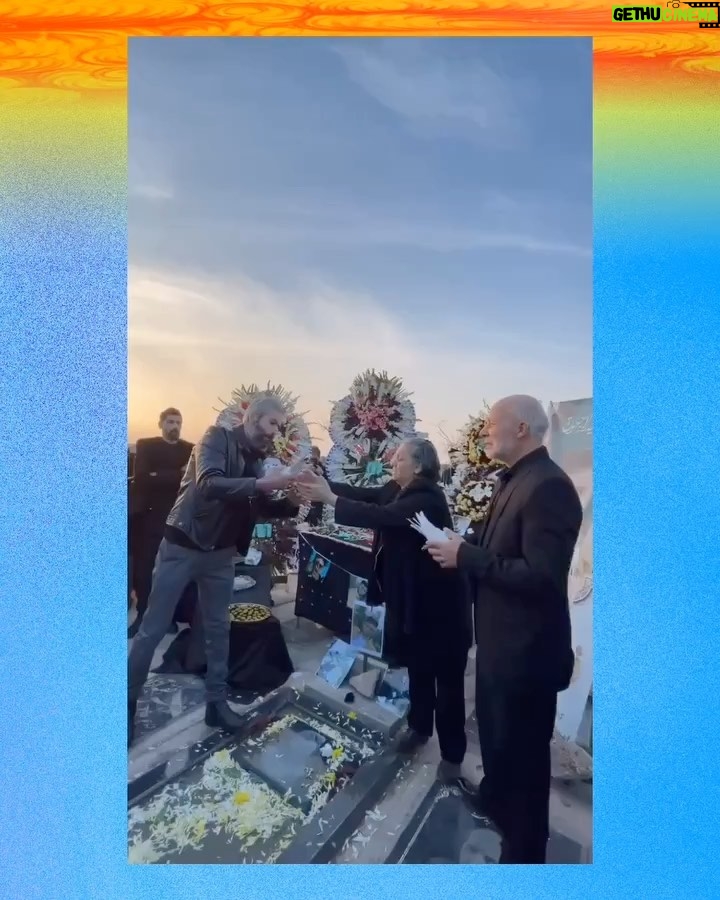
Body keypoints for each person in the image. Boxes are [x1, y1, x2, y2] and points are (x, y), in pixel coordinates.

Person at [425, 395, 582, 864]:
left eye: (491, 425)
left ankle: (525, 854)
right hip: (499, 646)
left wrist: (467, 557)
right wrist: (461, 544)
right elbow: (498, 547)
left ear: (521, 428)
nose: (483, 433)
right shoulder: (515, 479)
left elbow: (540, 578)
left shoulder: (549, 486)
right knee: (496, 742)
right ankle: (495, 801)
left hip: (527, 655)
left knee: (525, 765)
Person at [128, 396, 306, 747]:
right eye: (272, 423)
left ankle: (217, 705)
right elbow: (210, 484)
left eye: (279, 427)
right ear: (252, 418)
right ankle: (126, 704)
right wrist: (266, 484)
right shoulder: (214, 439)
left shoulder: (258, 462)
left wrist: (294, 499)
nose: (275, 432)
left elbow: (262, 504)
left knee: (218, 630)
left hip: (222, 555)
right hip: (183, 545)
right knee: (153, 627)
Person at [298, 438, 472, 783]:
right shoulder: (399, 489)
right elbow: (368, 496)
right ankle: (419, 729)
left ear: (419, 466)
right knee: (420, 671)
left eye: (399, 459)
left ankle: (452, 756)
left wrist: (330, 499)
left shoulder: (425, 498)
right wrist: (323, 485)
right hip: (415, 604)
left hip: (442, 610)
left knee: (448, 684)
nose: (393, 463)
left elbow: (382, 516)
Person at [129, 408, 194, 638]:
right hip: (149, 520)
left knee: (172, 573)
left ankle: (169, 618)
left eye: (178, 422)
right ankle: (143, 616)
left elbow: (193, 481)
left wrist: (160, 475)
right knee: (145, 570)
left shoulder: (189, 450)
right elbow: (143, 478)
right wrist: (178, 473)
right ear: (161, 424)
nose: (174, 426)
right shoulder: (147, 445)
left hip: (178, 521)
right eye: (170, 422)